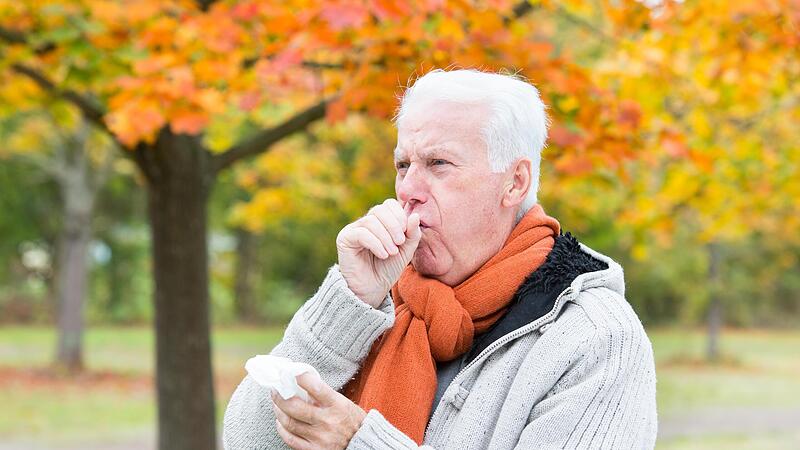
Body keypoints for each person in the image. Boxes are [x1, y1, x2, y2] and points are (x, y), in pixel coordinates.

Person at [223, 69, 658, 450]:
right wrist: (350, 302)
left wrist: (359, 441)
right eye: (403, 164)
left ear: (514, 183)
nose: (408, 188)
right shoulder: (380, 300)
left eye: (439, 163)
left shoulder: (595, 338)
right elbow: (247, 441)